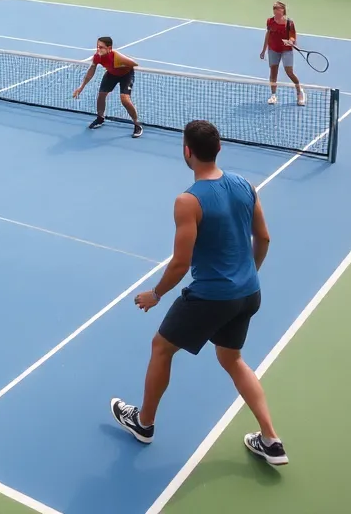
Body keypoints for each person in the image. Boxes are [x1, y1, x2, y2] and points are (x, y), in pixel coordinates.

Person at [109, 120, 287, 467]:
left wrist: (155, 294)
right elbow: (263, 239)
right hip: (249, 293)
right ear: (218, 149)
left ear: (187, 151)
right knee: (231, 359)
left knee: (161, 348)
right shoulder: (246, 186)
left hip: (211, 297)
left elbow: (180, 263)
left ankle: (143, 423)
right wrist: (246, 275)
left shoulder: (188, 201)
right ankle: (271, 440)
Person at [72, 36, 143, 137]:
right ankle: (100, 118)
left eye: (101, 47)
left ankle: (137, 124)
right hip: (111, 74)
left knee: (125, 99)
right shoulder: (97, 57)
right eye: (97, 47)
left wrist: (120, 64)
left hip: (126, 75)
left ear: (109, 48)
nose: (98, 49)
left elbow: (134, 63)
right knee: (101, 95)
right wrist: (81, 87)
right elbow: (90, 72)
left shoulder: (117, 56)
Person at [260, 1, 305, 106]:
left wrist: (291, 41)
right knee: (273, 71)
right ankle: (273, 95)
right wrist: (263, 50)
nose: (276, 11)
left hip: (286, 50)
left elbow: (293, 36)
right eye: (274, 9)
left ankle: (300, 91)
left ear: (283, 10)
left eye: (278, 9)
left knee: (289, 72)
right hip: (273, 49)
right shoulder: (270, 21)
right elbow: (268, 34)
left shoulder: (289, 23)